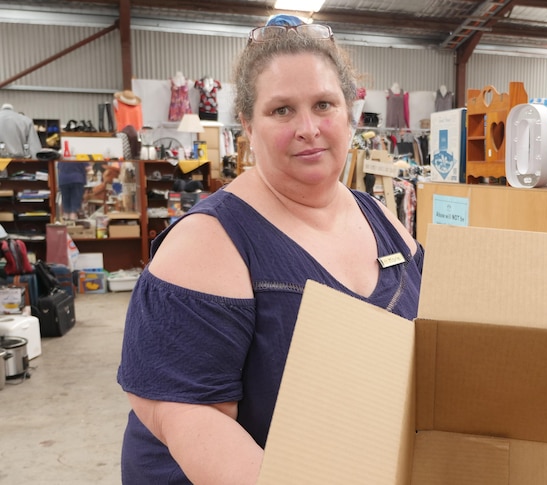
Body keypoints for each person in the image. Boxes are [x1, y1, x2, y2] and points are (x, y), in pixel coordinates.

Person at [116, 14, 423, 484]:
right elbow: (194, 419)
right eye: (282, 110)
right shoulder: (209, 241)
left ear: (349, 113)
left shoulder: (380, 218)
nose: (308, 128)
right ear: (246, 124)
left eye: (324, 104)